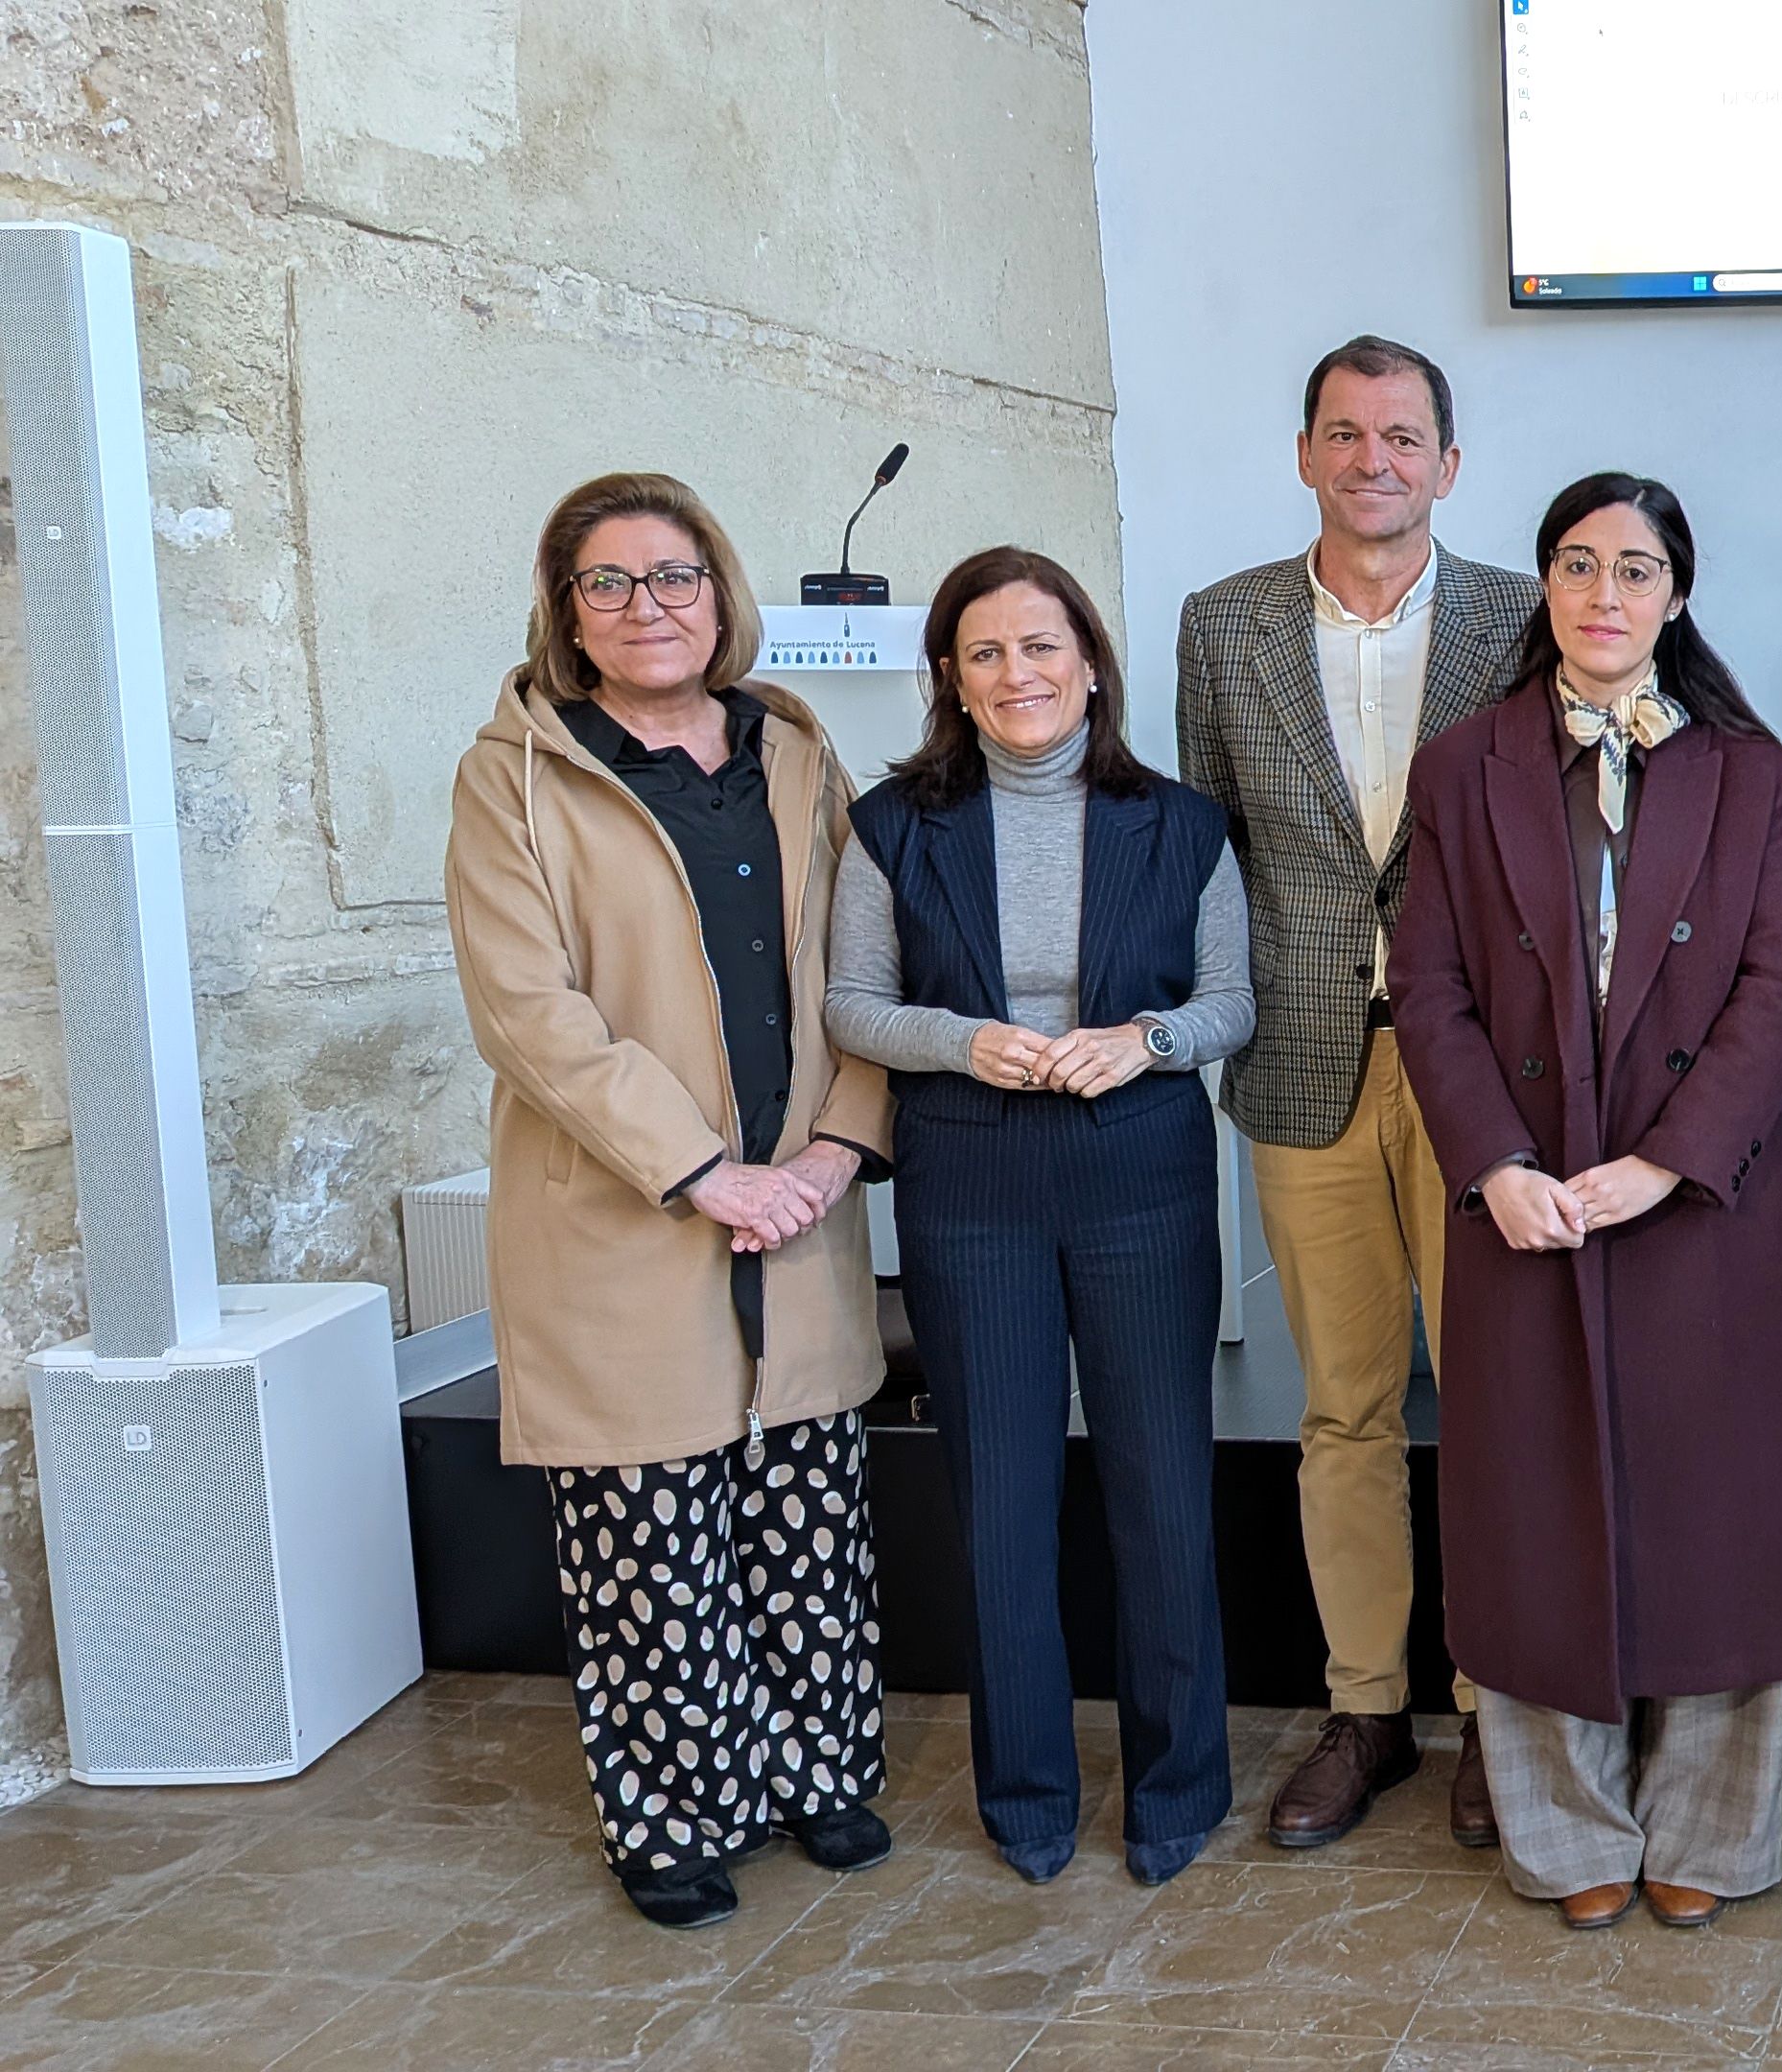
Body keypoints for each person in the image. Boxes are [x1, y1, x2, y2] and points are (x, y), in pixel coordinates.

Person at [1389, 473, 1782, 1932]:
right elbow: (1431, 985)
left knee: (1723, 1513)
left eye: (1638, 569)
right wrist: (1492, 1166)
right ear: (1544, 586)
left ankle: (1708, 1838)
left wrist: (1668, 1161)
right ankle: (1567, 1830)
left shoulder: (1747, 766)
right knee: (1533, 1506)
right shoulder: (1462, 764)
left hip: (1700, 1193)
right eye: (1581, 566)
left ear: (1677, 593)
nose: (1608, 595)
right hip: (1531, 1190)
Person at [445, 472, 895, 1930]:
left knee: (807, 1510)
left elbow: (861, 977)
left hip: (805, 1188)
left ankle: (821, 1776)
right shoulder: (513, 773)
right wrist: (704, 1174)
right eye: (612, 584)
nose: (651, 608)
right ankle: (677, 1814)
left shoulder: (795, 750)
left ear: (722, 588)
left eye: (677, 576)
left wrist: (833, 1149)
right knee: (649, 1529)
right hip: (629, 1203)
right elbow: (529, 1011)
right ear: (565, 610)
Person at [827, 548, 1254, 1888]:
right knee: (999, 1501)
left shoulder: (1181, 822)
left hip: (1142, 1173)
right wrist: (961, 1043)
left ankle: (1179, 1780)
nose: (1020, 675)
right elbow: (852, 1005)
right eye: (987, 653)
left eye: (1044, 647)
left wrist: (1153, 1041)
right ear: (951, 676)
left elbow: (1234, 1000)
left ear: (1089, 663)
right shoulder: (894, 823)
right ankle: (1026, 1787)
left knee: (1161, 1490)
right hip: (973, 1187)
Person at [1173, 336, 1546, 1849]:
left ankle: (1491, 1705)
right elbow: (1203, 849)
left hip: (1480, 1075)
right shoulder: (1226, 627)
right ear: (1307, 454)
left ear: (1449, 465)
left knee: (1501, 1408)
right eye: (1346, 432)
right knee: (1344, 1410)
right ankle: (1365, 1707)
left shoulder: (1527, 619)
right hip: (1306, 1060)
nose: (1375, 458)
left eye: (1405, 436)